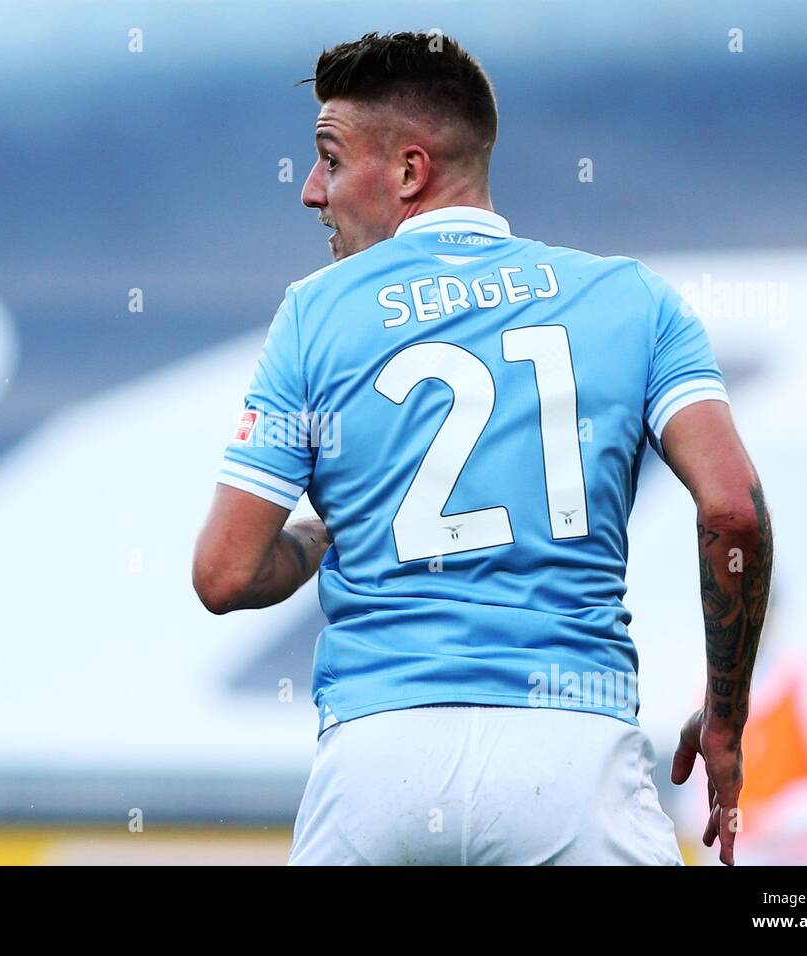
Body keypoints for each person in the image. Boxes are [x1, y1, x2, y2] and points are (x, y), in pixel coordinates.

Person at [192, 31, 772, 865]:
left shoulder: (314, 313)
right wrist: (725, 713)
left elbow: (224, 573)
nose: (311, 192)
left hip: (378, 761)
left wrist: (325, 530)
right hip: (574, 754)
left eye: (328, 158)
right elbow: (734, 510)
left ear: (408, 171)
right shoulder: (634, 300)